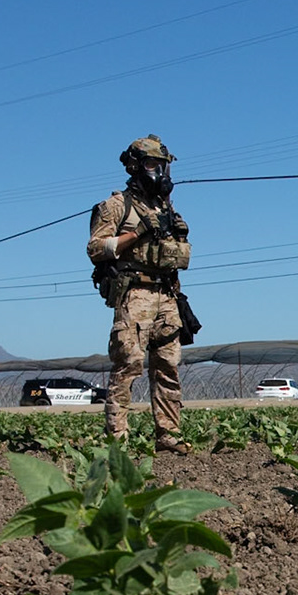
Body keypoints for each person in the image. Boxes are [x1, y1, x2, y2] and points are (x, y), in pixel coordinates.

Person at [87, 135, 193, 453]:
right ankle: (117, 440)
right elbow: (95, 248)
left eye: (163, 167)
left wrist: (178, 235)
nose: (159, 174)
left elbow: (179, 257)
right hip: (134, 295)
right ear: (134, 167)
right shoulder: (116, 206)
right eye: (151, 165)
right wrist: (137, 233)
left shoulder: (167, 209)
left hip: (166, 295)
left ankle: (168, 434)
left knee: (168, 367)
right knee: (128, 366)